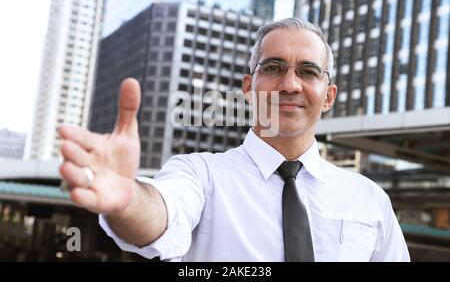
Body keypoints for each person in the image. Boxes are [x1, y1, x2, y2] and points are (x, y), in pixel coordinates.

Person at [58, 18, 410, 262]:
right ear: (247, 88)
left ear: (328, 95)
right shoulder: (201, 174)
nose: (290, 84)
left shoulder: (370, 201)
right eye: (272, 68)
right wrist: (128, 198)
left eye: (308, 71)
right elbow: (165, 212)